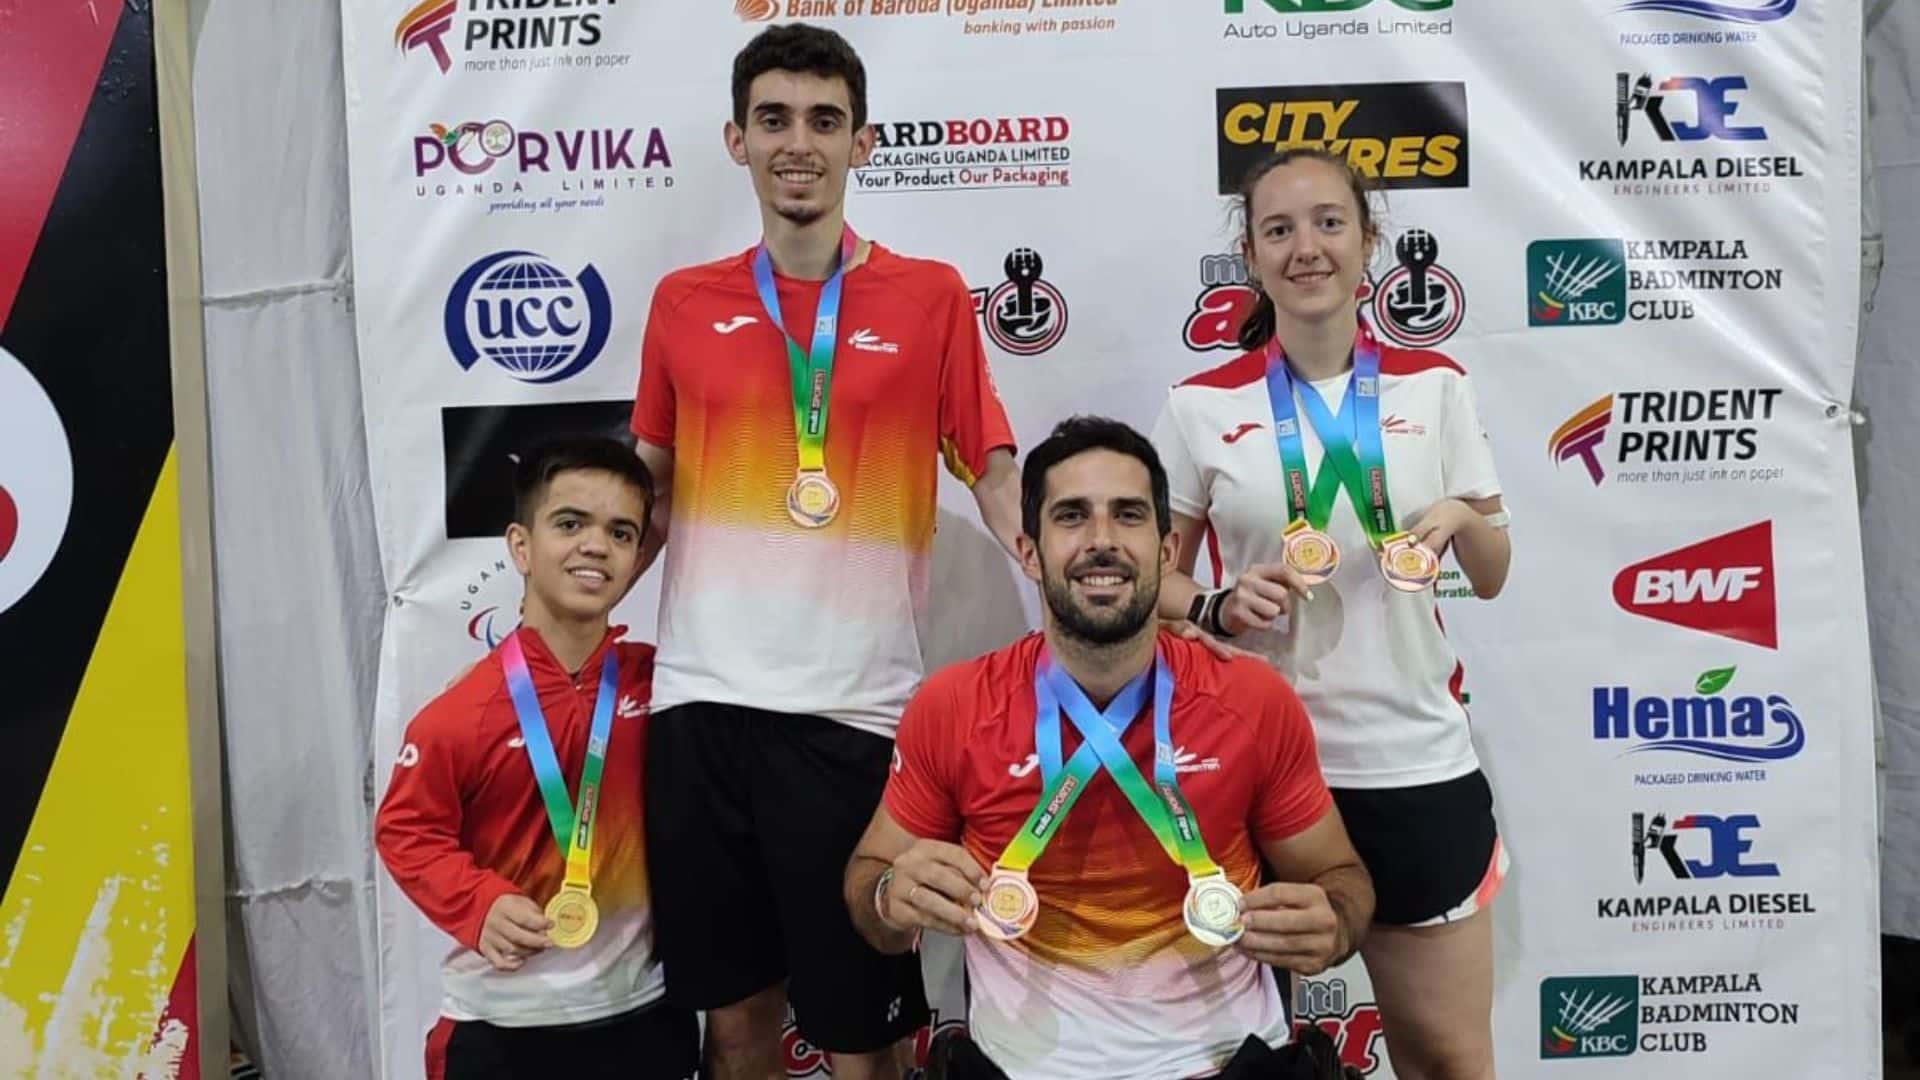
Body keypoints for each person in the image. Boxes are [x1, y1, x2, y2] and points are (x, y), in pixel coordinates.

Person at [628, 22, 1025, 1080]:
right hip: (701, 708)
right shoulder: (682, 302)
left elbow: (991, 473)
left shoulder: (930, 296)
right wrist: (559, 620)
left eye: (823, 120)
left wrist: (1081, 585)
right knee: (736, 1033)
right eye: (773, 120)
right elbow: (649, 491)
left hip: (852, 714)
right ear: (737, 140)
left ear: (863, 142)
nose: (797, 143)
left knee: (865, 1039)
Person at [844, 416, 1375, 1080]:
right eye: (1072, 516)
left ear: (1167, 549)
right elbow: (869, 880)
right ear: (1030, 552)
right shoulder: (954, 707)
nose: (1102, 540)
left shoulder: (1252, 700)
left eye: (1128, 515)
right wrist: (889, 896)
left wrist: (1335, 923)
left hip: (1227, 1066)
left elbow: (1342, 877)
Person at [1151, 147, 1514, 1080]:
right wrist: (1217, 604)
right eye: (1278, 229)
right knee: (1236, 1065)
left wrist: (1462, 516)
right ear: (1251, 254)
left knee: (1446, 1059)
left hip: (1410, 760)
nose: (1305, 247)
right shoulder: (1199, 406)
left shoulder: (1437, 385)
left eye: (1327, 223)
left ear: (1368, 239)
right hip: (1256, 769)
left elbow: (1494, 571)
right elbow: (1151, 583)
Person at [374, 436, 697, 1080]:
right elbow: (406, 829)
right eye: (570, 524)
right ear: (520, 546)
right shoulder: (462, 712)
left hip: (645, 1016)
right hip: (503, 1027)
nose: (596, 545)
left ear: (637, 557)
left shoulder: (665, 686)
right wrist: (478, 903)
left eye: (621, 532)